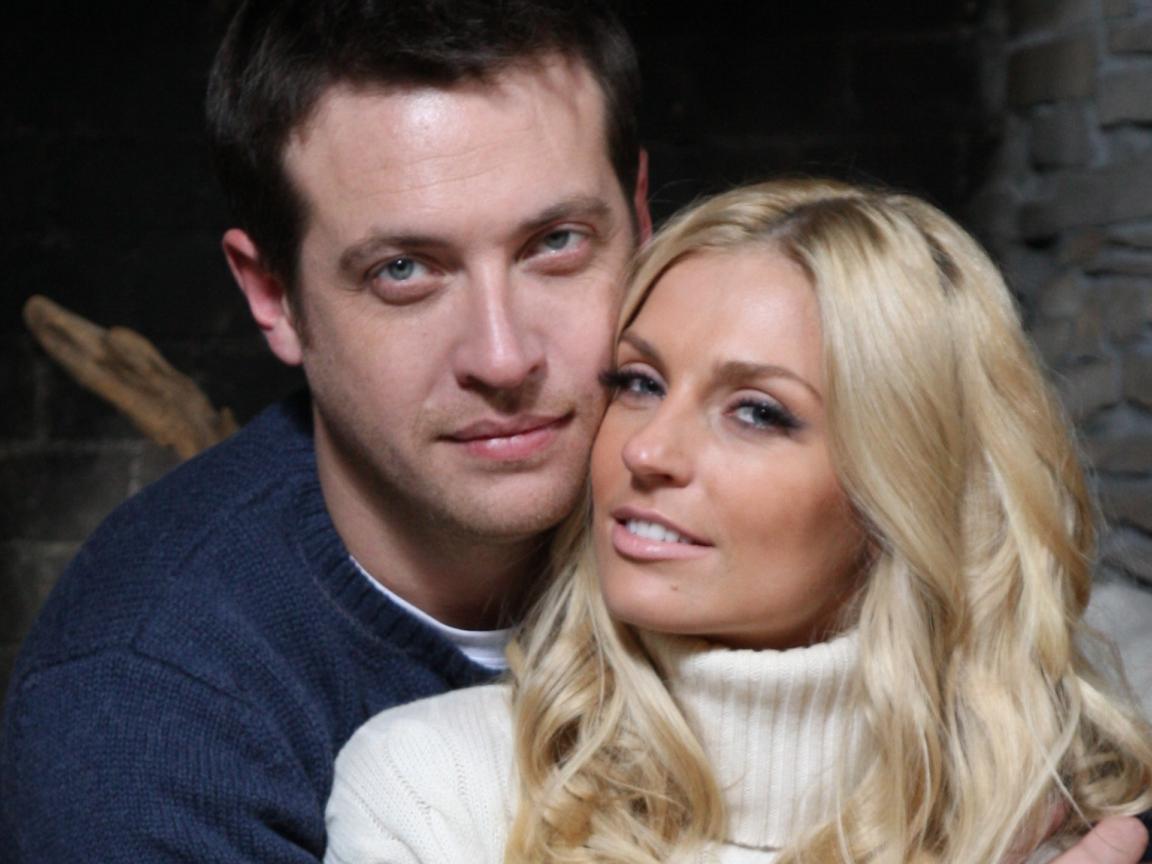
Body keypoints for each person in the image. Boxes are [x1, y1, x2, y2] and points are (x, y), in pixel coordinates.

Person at [325, 179, 1152, 864]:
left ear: (906, 484)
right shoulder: (436, 789)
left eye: (756, 411)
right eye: (639, 383)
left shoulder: (1066, 814)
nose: (647, 449)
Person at [0, 1, 649, 862]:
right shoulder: (143, 710)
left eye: (556, 242)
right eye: (403, 270)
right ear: (273, 295)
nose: (503, 357)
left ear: (641, 220)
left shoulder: (774, 521)